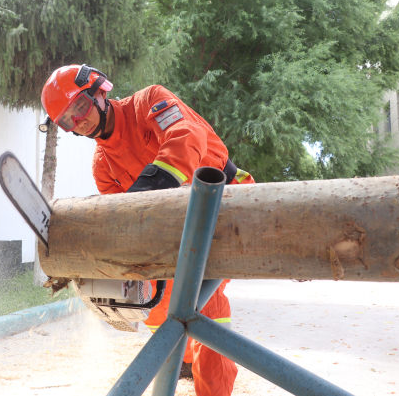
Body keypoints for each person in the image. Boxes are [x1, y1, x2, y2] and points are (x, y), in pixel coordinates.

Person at [40, 64, 255, 396]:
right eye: (68, 120)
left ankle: (213, 389)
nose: (79, 121)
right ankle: (182, 356)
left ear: (100, 91)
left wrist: (149, 188)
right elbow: (127, 226)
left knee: (205, 304)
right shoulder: (102, 166)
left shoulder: (149, 102)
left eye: (79, 107)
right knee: (154, 299)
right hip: (173, 228)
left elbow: (188, 135)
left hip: (223, 203)